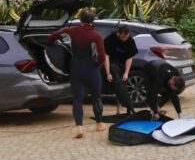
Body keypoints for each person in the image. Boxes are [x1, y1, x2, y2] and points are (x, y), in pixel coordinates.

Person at [46, 8, 109, 138]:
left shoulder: (72, 30)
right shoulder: (96, 36)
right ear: (92, 20)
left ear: (80, 19)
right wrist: (96, 65)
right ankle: (98, 124)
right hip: (91, 68)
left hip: (76, 68)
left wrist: (50, 44)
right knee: (96, 97)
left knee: (77, 98)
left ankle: (79, 127)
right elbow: (102, 57)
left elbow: (54, 36)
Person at [104, 23, 138, 116]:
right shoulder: (110, 39)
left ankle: (120, 109)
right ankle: (122, 107)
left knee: (122, 85)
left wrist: (126, 73)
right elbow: (106, 57)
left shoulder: (130, 41)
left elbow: (129, 58)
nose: (125, 39)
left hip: (123, 64)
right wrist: (108, 73)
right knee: (117, 83)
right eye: (123, 37)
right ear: (119, 33)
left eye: (126, 37)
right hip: (111, 64)